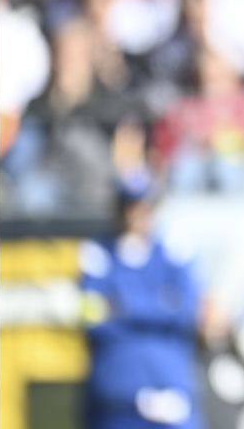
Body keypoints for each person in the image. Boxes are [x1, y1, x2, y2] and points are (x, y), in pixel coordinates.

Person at [79, 173, 203, 429]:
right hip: (116, 395)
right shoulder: (96, 253)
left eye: (143, 206)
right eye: (129, 206)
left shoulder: (174, 251)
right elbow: (92, 318)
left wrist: (123, 305)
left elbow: (186, 312)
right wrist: (160, 305)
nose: (136, 214)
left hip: (169, 389)